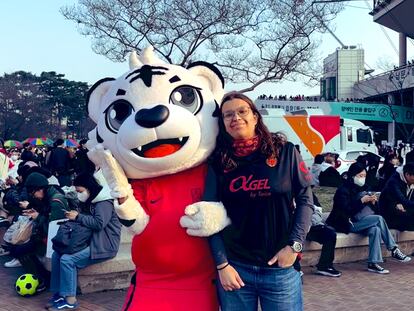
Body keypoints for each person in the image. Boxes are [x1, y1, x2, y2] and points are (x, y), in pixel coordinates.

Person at [206, 92, 314, 311]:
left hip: (280, 268)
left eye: (242, 111)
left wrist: (294, 246)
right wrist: (222, 264)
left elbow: (305, 200)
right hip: (235, 269)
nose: (235, 117)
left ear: (255, 116)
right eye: (228, 115)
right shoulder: (218, 162)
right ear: (223, 123)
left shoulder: (285, 152)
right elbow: (209, 215)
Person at [46, 173, 121, 310]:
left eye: (80, 191)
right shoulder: (91, 201)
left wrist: (78, 217)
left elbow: (99, 223)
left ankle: (70, 299)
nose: (78, 194)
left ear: (88, 188)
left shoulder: (104, 202)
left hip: (103, 244)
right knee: (57, 254)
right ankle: (60, 294)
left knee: (68, 260)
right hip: (89, 240)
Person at [326, 162, 410, 274]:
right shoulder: (343, 190)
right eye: (360, 176)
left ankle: (373, 263)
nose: (363, 179)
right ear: (352, 176)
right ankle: (393, 249)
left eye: (364, 176)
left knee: (375, 230)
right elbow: (347, 211)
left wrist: (373, 202)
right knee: (378, 219)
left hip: (360, 221)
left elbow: (373, 211)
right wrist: (362, 201)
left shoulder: (364, 188)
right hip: (345, 223)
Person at [4, 172, 68, 290]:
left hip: (55, 241)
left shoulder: (56, 201)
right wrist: (33, 211)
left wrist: (37, 217)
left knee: (22, 251)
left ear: (40, 189)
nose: (33, 196)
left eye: (33, 193)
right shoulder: (48, 197)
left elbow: (54, 228)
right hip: (44, 237)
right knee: (16, 249)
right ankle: (40, 277)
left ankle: (43, 279)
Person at [305, 193, 341, 277]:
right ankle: (294, 268)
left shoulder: (310, 194)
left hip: (313, 225)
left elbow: (318, 212)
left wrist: (310, 221)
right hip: (297, 226)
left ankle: (324, 266)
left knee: (330, 233)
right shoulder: (289, 192)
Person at [379, 163, 414, 231]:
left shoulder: (410, 181)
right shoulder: (394, 182)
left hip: (404, 211)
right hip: (390, 216)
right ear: (407, 174)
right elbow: (403, 200)